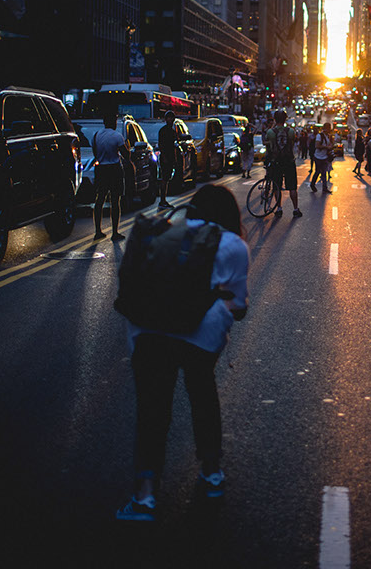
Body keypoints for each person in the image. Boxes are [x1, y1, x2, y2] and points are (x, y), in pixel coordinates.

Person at [116, 184, 250, 522]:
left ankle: (144, 498)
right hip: (199, 336)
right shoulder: (233, 245)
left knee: (152, 410)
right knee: (202, 395)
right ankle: (212, 474)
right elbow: (237, 305)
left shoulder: (166, 233)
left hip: (146, 330)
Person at [92, 111, 132, 240]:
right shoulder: (117, 136)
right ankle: (115, 232)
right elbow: (126, 155)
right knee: (115, 201)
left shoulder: (96, 135)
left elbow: (95, 153)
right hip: (114, 169)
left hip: (102, 169)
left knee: (100, 200)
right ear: (113, 122)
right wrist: (128, 147)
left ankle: (98, 230)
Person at [265, 109, 302, 218]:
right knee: (292, 187)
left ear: (275, 119)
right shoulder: (290, 131)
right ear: (285, 119)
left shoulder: (271, 132)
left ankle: (279, 208)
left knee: (277, 186)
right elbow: (293, 142)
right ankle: (295, 209)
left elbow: (268, 145)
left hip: (276, 162)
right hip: (289, 161)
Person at [155, 110, 179, 209]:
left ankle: (164, 199)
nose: (170, 120)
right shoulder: (163, 131)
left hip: (170, 157)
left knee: (167, 178)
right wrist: (164, 157)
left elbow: (173, 146)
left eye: (172, 118)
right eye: (169, 118)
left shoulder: (173, 131)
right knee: (164, 179)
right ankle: (162, 200)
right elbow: (161, 145)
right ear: (166, 119)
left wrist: (175, 158)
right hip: (165, 157)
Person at [311, 122, 334, 193]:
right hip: (318, 157)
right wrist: (326, 147)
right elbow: (317, 146)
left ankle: (324, 188)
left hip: (324, 157)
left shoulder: (328, 136)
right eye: (329, 128)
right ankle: (312, 184)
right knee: (317, 172)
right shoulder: (319, 136)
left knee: (324, 173)